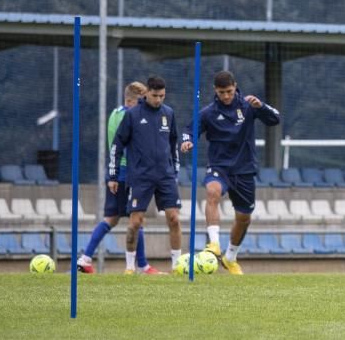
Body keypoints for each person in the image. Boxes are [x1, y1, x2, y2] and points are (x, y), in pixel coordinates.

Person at [180, 70, 280, 275]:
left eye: (229, 91)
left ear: (235, 87)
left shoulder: (248, 106)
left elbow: (275, 119)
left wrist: (261, 106)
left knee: (244, 218)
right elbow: (189, 130)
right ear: (215, 91)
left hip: (244, 169)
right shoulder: (208, 112)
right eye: (221, 92)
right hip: (219, 167)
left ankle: (230, 257)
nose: (226, 96)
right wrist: (187, 141)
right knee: (212, 192)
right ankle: (214, 244)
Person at [78, 81, 163, 274]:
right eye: (141, 101)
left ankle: (85, 258)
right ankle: (141, 265)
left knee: (112, 218)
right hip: (128, 172)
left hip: (116, 171)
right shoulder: (128, 116)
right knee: (135, 217)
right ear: (130, 100)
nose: (145, 106)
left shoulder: (114, 114)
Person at [108, 76, 183, 273]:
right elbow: (117, 145)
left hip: (165, 176)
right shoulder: (132, 115)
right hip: (140, 176)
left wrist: (175, 169)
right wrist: (113, 175)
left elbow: (173, 143)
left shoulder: (169, 113)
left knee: (174, 218)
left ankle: (177, 265)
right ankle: (130, 267)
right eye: (155, 95)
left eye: (162, 96)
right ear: (146, 93)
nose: (158, 100)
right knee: (135, 222)